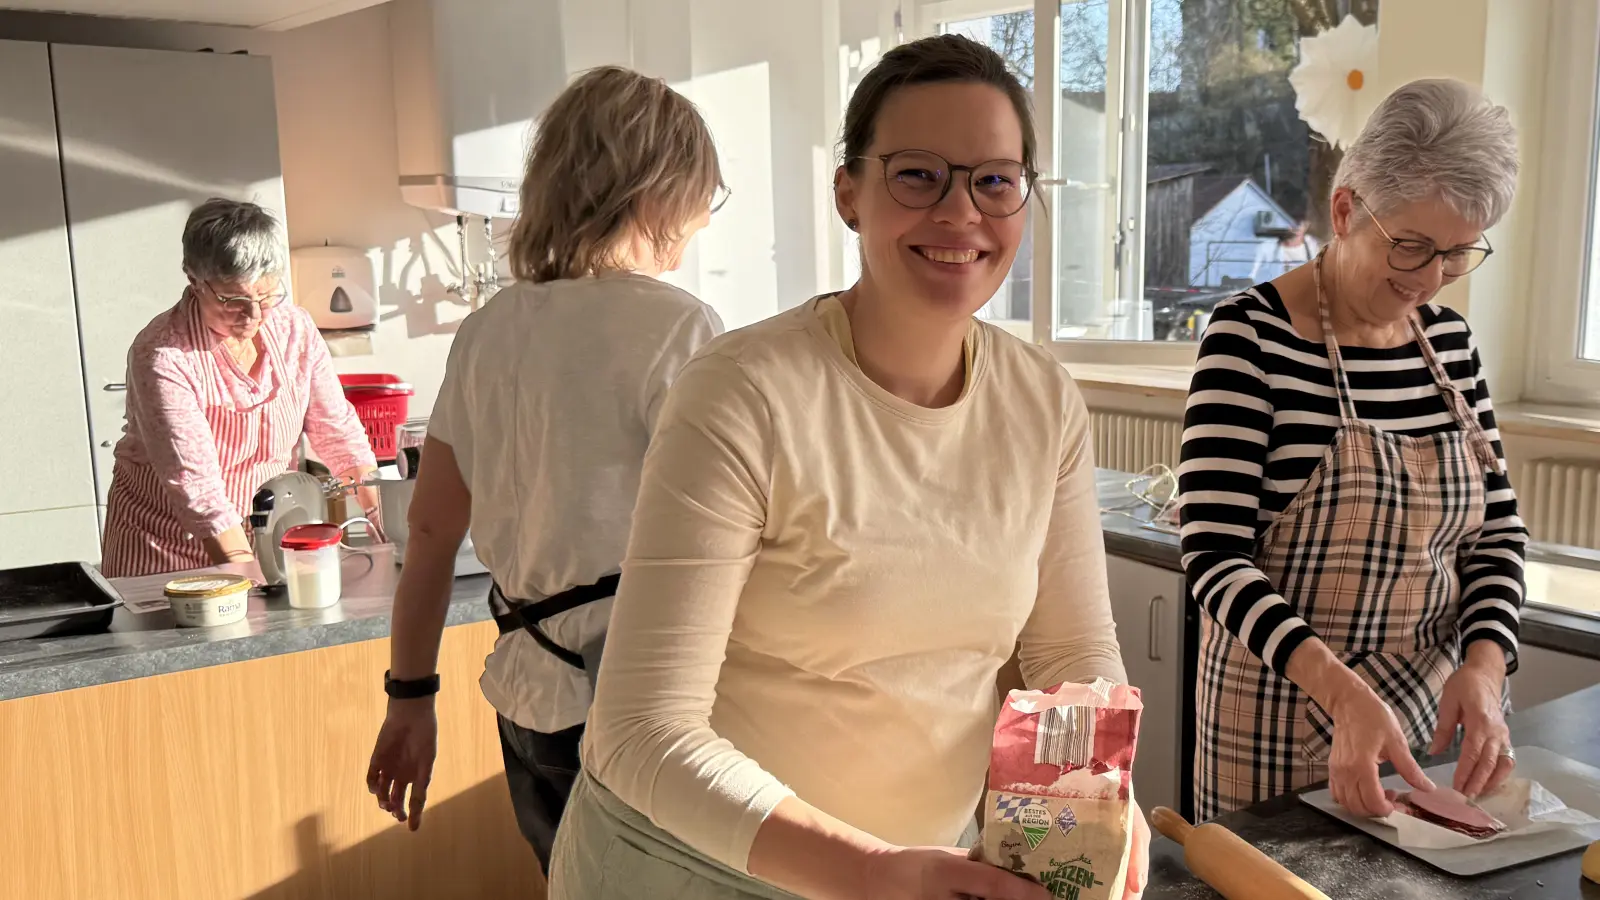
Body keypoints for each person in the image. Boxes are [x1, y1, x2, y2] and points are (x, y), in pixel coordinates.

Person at [548, 35, 1148, 900]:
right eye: (916, 175)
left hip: (911, 868)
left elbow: (1067, 647)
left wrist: (1100, 800)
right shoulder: (743, 393)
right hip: (696, 862)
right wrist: (865, 870)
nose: (960, 212)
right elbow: (642, 729)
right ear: (849, 194)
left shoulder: (1041, 400)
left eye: (995, 179)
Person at [363, 66, 726, 871]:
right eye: (704, 195)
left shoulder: (488, 331)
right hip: (635, 705)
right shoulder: (676, 329)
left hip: (526, 701)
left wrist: (410, 700)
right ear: (656, 192)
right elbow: (734, 531)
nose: (703, 219)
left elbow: (428, 534)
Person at [1179, 78, 1527, 823]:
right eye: (1411, 246)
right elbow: (1214, 556)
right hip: (1278, 723)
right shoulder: (1250, 339)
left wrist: (1485, 667)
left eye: (1458, 254)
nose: (1430, 280)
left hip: (1430, 726)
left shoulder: (1453, 347)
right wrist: (1340, 691)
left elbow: (1497, 536)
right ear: (1345, 209)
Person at [100, 199, 377, 578]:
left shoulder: (294, 330)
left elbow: (339, 434)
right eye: (233, 300)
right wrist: (254, 579)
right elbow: (199, 492)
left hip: (265, 536)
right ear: (194, 280)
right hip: (166, 550)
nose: (254, 315)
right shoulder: (164, 354)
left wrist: (383, 527)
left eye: (266, 296)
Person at [1249, 218, 1320, 281]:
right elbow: (1250, 278)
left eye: (1300, 222)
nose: (1296, 226)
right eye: (1292, 221)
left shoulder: (1313, 245)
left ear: (1307, 225)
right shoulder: (1266, 247)